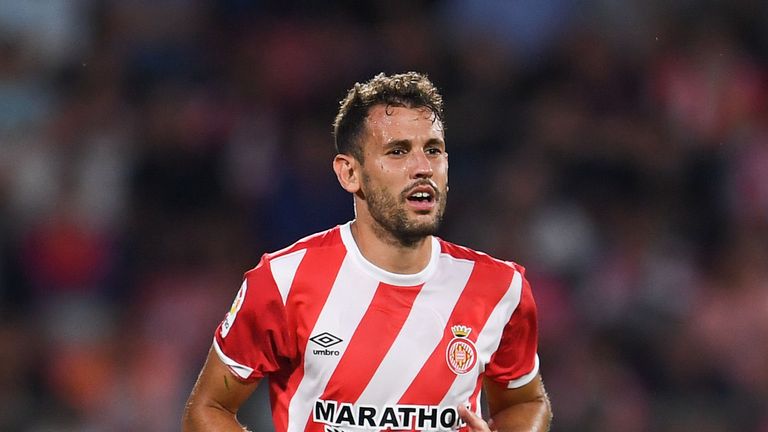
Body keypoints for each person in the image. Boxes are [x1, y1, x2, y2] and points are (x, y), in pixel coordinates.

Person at [182, 72, 552, 431]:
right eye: (398, 151)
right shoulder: (282, 282)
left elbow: (525, 402)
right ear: (349, 174)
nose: (422, 168)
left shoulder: (500, 287)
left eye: (433, 150)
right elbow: (208, 408)